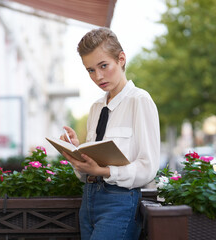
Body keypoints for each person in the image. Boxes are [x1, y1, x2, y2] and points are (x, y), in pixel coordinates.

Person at [60, 27, 160, 240]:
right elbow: (89, 170)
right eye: (90, 70)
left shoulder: (140, 101)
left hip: (120, 202)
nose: (98, 76)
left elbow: (148, 167)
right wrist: (77, 152)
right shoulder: (96, 107)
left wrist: (105, 172)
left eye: (103, 66)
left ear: (121, 59)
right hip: (88, 201)